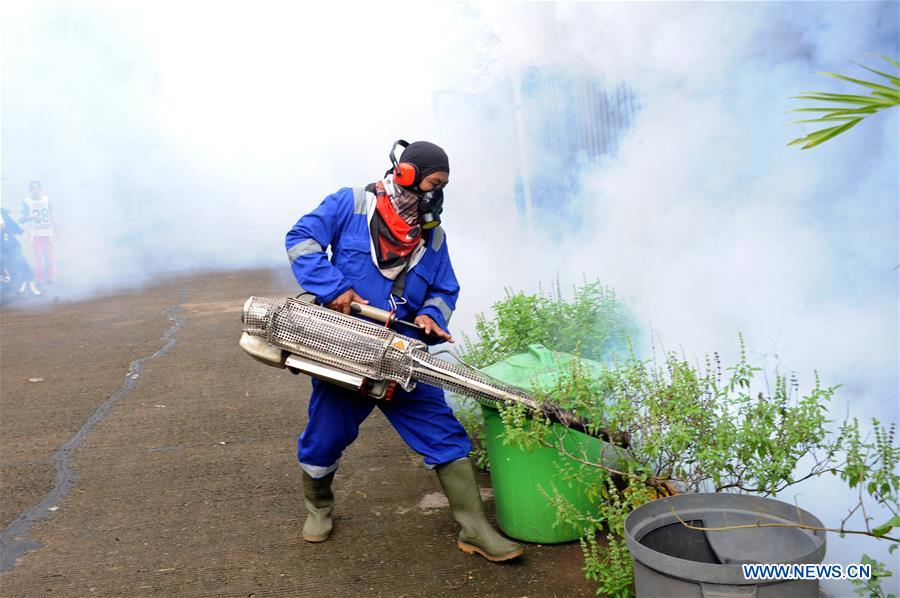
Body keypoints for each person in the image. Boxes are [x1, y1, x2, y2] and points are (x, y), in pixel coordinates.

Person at [284, 140, 524, 562]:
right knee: (324, 439)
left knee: (444, 435)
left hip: (402, 356)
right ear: (408, 174)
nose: (438, 194)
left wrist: (432, 316)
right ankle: (318, 507)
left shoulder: (432, 238)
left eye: (444, 186)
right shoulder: (352, 204)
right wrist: (333, 287)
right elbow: (301, 239)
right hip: (347, 349)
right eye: (435, 182)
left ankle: (475, 529)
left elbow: (445, 287)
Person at [20, 180, 56, 284]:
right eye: (33, 188)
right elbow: (21, 219)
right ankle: (40, 279)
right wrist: (30, 217)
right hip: (35, 233)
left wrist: (55, 226)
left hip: (47, 232)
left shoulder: (46, 199)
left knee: (49, 256)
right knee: (38, 257)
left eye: (37, 188)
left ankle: (51, 277)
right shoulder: (26, 201)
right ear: (30, 190)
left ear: (40, 189)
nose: (35, 190)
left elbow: (50, 214)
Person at [1, 207, 42, 296]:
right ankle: (17, 287)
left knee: (21, 263)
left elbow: (9, 224)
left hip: (8, 244)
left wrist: (21, 231)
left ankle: (29, 286)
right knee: (8, 267)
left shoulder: (2, 213)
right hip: (5, 245)